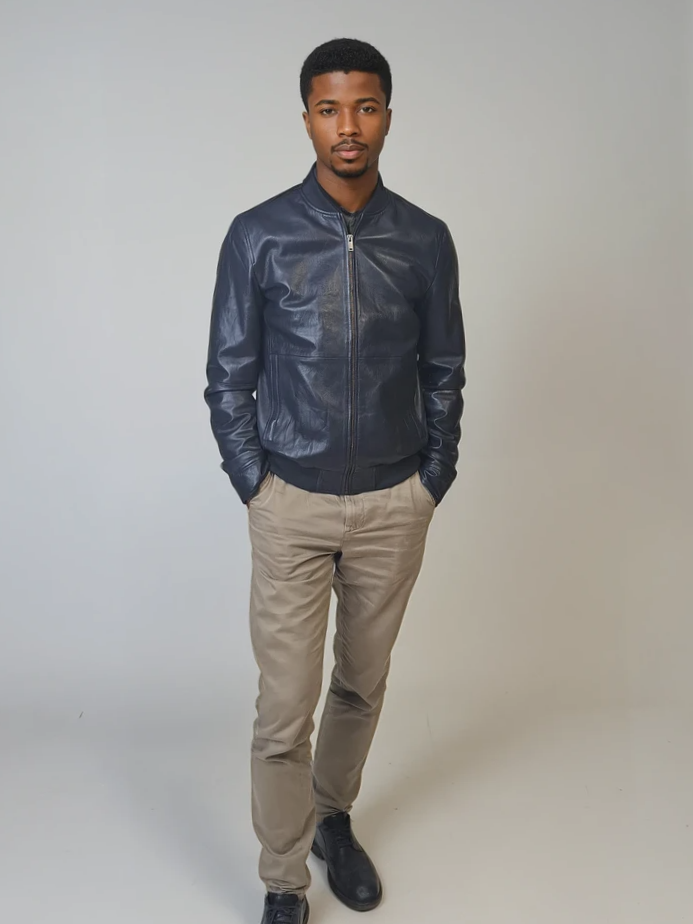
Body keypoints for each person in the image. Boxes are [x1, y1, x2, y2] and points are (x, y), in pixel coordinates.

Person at [204, 36, 466, 924]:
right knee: (284, 710)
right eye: (329, 108)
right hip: (291, 503)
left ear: (387, 114)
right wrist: (256, 481)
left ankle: (332, 820)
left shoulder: (424, 240)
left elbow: (444, 370)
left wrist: (432, 477)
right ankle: (284, 879)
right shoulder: (258, 235)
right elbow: (228, 375)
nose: (346, 126)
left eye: (364, 106)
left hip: (395, 502)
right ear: (307, 118)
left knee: (359, 685)